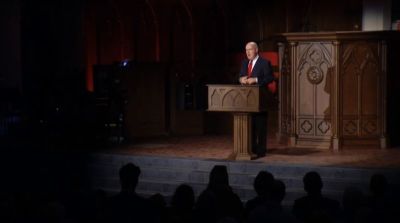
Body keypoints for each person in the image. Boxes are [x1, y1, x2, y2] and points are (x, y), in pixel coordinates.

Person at [239, 41, 274, 157]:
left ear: (256, 50)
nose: (247, 52)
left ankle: (261, 150)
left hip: (260, 99)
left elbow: (270, 78)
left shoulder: (264, 63)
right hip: (246, 100)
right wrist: (241, 80)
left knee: (260, 126)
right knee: (251, 126)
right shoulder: (245, 63)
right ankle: (252, 148)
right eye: (246, 50)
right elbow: (240, 76)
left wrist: (256, 80)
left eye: (250, 49)